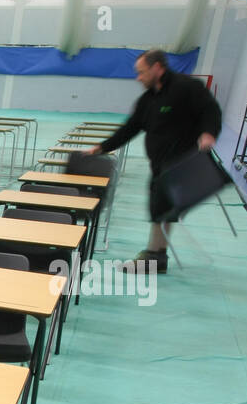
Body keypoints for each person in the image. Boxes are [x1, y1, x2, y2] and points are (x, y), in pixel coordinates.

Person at [87, 49, 222, 274]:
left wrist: (208, 133)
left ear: (157, 68)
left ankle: (155, 255)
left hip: (182, 162)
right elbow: (130, 128)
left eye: (141, 72)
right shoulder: (148, 100)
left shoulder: (186, 88)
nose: (138, 78)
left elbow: (211, 110)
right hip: (160, 164)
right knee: (161, 208)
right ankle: (158, 255)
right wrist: (102, 147)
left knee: (161, 207)